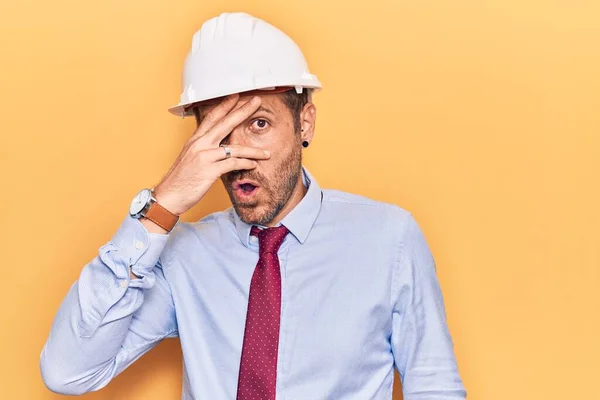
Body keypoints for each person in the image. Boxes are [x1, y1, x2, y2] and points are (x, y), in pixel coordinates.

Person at [40, 12, 466, 400]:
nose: (237, 154)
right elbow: (68, 372)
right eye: (215, 130)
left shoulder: (387, 238)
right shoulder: (183, 255)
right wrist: (162, 204)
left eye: (258, 124)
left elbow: (434, 386)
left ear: (305, 123)